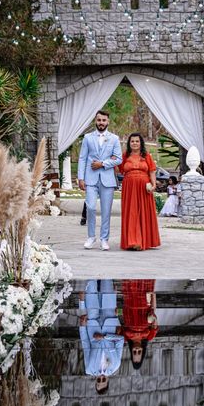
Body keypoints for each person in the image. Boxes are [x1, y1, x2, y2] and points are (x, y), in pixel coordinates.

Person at [77, 110, 122, 251]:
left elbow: (119, 159)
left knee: (106, 211)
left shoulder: (114, 138)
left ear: (108, 122)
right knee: (90, 207)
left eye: (103, 120)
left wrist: (102, 164)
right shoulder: (87, 138)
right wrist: (80, 177)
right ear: (95, 121)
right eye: (99, 120)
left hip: (107, 179)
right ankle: (91, 237)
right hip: (90, 178)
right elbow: (83, 158)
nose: (101, 122)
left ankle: (104, 239)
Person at [78, 279, 124, 395]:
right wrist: (104, 337)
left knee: (90, 283)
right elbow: (120, 340)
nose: (102, 377)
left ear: (95, 381)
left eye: (99, 380)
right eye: (104, 380)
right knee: (106, 280)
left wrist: (81, 302)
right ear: (108, 380)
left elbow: (85, 344)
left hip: (92, 323)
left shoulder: (89, 368)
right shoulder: (116, 364)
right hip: (110, 319)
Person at [119, 133, 161, 251]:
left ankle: (142, 240)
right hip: (129, 187)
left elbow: (152, 171)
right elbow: (119, 169)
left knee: (143, 212)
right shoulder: (125, 156)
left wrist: (153, 184)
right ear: (129, 143)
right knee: (131, 212)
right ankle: (132, 241)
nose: (135, 143)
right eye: (132, 141)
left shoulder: (146, 155)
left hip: (144, 187)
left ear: (141, 143)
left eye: (137, 141)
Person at [121, 279, 158, 371]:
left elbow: (117, 318)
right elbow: (153, 313)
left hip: (130, 299)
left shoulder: (125, 337)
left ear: (131, 351)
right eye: (139, 352)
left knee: (130, 278)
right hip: (144, 300)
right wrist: (153, 296)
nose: (137, 349)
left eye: (134, 352)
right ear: (143, 351)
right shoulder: (149, 336)